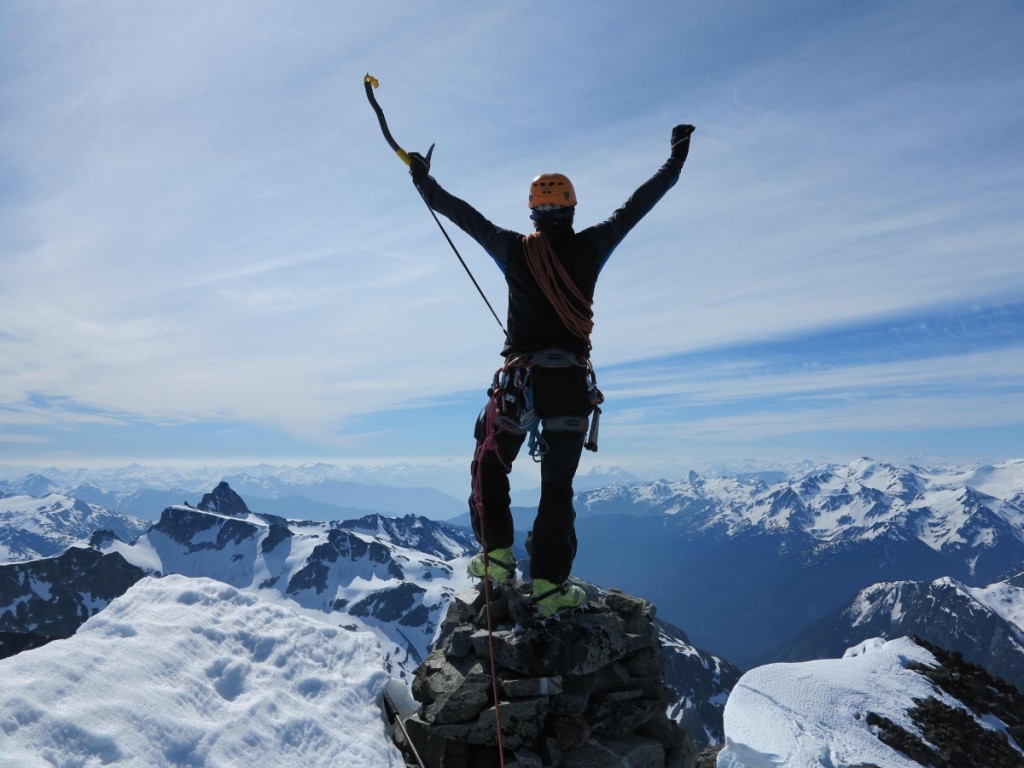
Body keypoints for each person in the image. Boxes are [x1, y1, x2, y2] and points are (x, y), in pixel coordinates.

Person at [408, 124, 694, 616]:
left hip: (519, 383)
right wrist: (676, 158)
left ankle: (496, 556)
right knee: (557, 487)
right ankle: (548, 585)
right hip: (569, 386)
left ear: (533, 211)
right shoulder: (591, 245)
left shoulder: (512, 247)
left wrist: (423, 181)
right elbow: (638, 205)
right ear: (572, 208)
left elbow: (462, 216)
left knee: (490, 463)